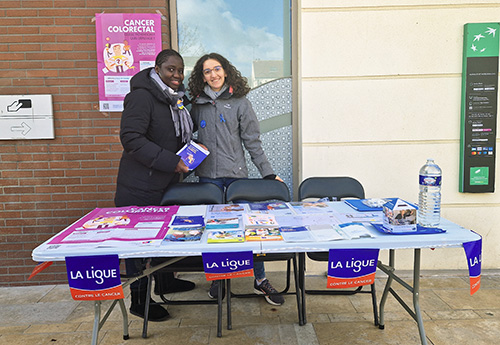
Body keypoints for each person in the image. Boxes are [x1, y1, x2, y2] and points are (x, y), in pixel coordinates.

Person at [188, 52, 285, 306]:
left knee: (250, 231)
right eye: (207, 71)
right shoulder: (196, 104)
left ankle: (260, 279)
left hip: (236, 180)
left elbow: (253, 142)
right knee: (214, 232)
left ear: (226, 71)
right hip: (207, 180)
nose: (213, 74)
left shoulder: (241, 102)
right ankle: (218, 279)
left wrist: (268, 174)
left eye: (217, 69)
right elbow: (185, 136)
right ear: (202, 77)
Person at [114, 49, 196, 322]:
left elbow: (175, 136)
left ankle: (165, 283)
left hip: (166, 183)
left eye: (180, 70)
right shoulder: (142, 96)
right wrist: (172, 162)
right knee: (139, 245)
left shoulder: (176, 100)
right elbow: (131, 139)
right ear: (158, 68)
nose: (177, 75)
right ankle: (139, 300)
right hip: (139, 186)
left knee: (163, 236)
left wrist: (193, 151)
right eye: (171, 69)